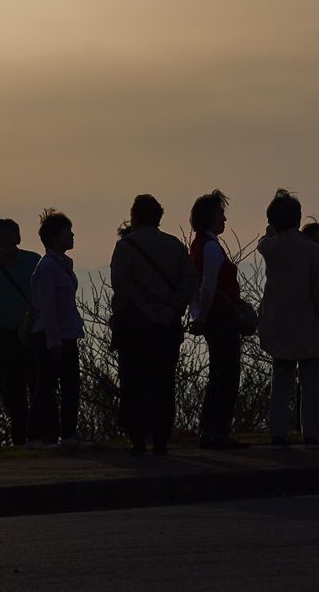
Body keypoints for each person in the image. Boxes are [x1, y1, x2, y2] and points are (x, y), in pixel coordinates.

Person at [109, 194, 198, 456]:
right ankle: (161, 438)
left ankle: (137, 439)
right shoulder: (174, 246)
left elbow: (121, 283)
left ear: (134, 217)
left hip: (134, 324)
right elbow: (191, 279)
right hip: (166, 325)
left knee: (133, 381)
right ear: (159, 217)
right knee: (163, 382)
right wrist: (172, 307)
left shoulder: (125, 247)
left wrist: (142, 306)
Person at [258, 190, 319, 448]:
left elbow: (265, 238)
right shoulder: (311, 251)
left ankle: (277, 433)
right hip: (308, 322)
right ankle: (310, 432)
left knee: (280, 381)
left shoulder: (269, 247)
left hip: (278, 322)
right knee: (311, 382)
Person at [188, 189, 247, 450]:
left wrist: (198, 314)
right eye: (220, 215)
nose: (224, 220)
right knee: (227, 374)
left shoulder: (198, 245)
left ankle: (208, 429)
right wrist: (202, 315)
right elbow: (209, 285)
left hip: (211, 316)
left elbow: (195, 285)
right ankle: (219, 430)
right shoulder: (211, 247)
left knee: (217, 374)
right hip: (221, 316)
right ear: (210, 218)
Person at [0, 219, 41, 448]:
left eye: (7, 236)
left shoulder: (32, 261)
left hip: (31, 332)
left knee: (36, 385)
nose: (3, 242)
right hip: (4, 335)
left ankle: (37, 436)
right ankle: (20, 438)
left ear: (18, 238)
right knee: (10, 391)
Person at [29, 209, 88, 449]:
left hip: (66, 334)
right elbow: (47, 308)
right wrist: (54, 341)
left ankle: (68, 435)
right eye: (67, 232)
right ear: (54, 237)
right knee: (47, 387)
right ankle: (34, 436)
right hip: (52, 336)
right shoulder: (48, 268)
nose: (72, 235)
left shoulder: (61, 265)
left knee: (70, 385)